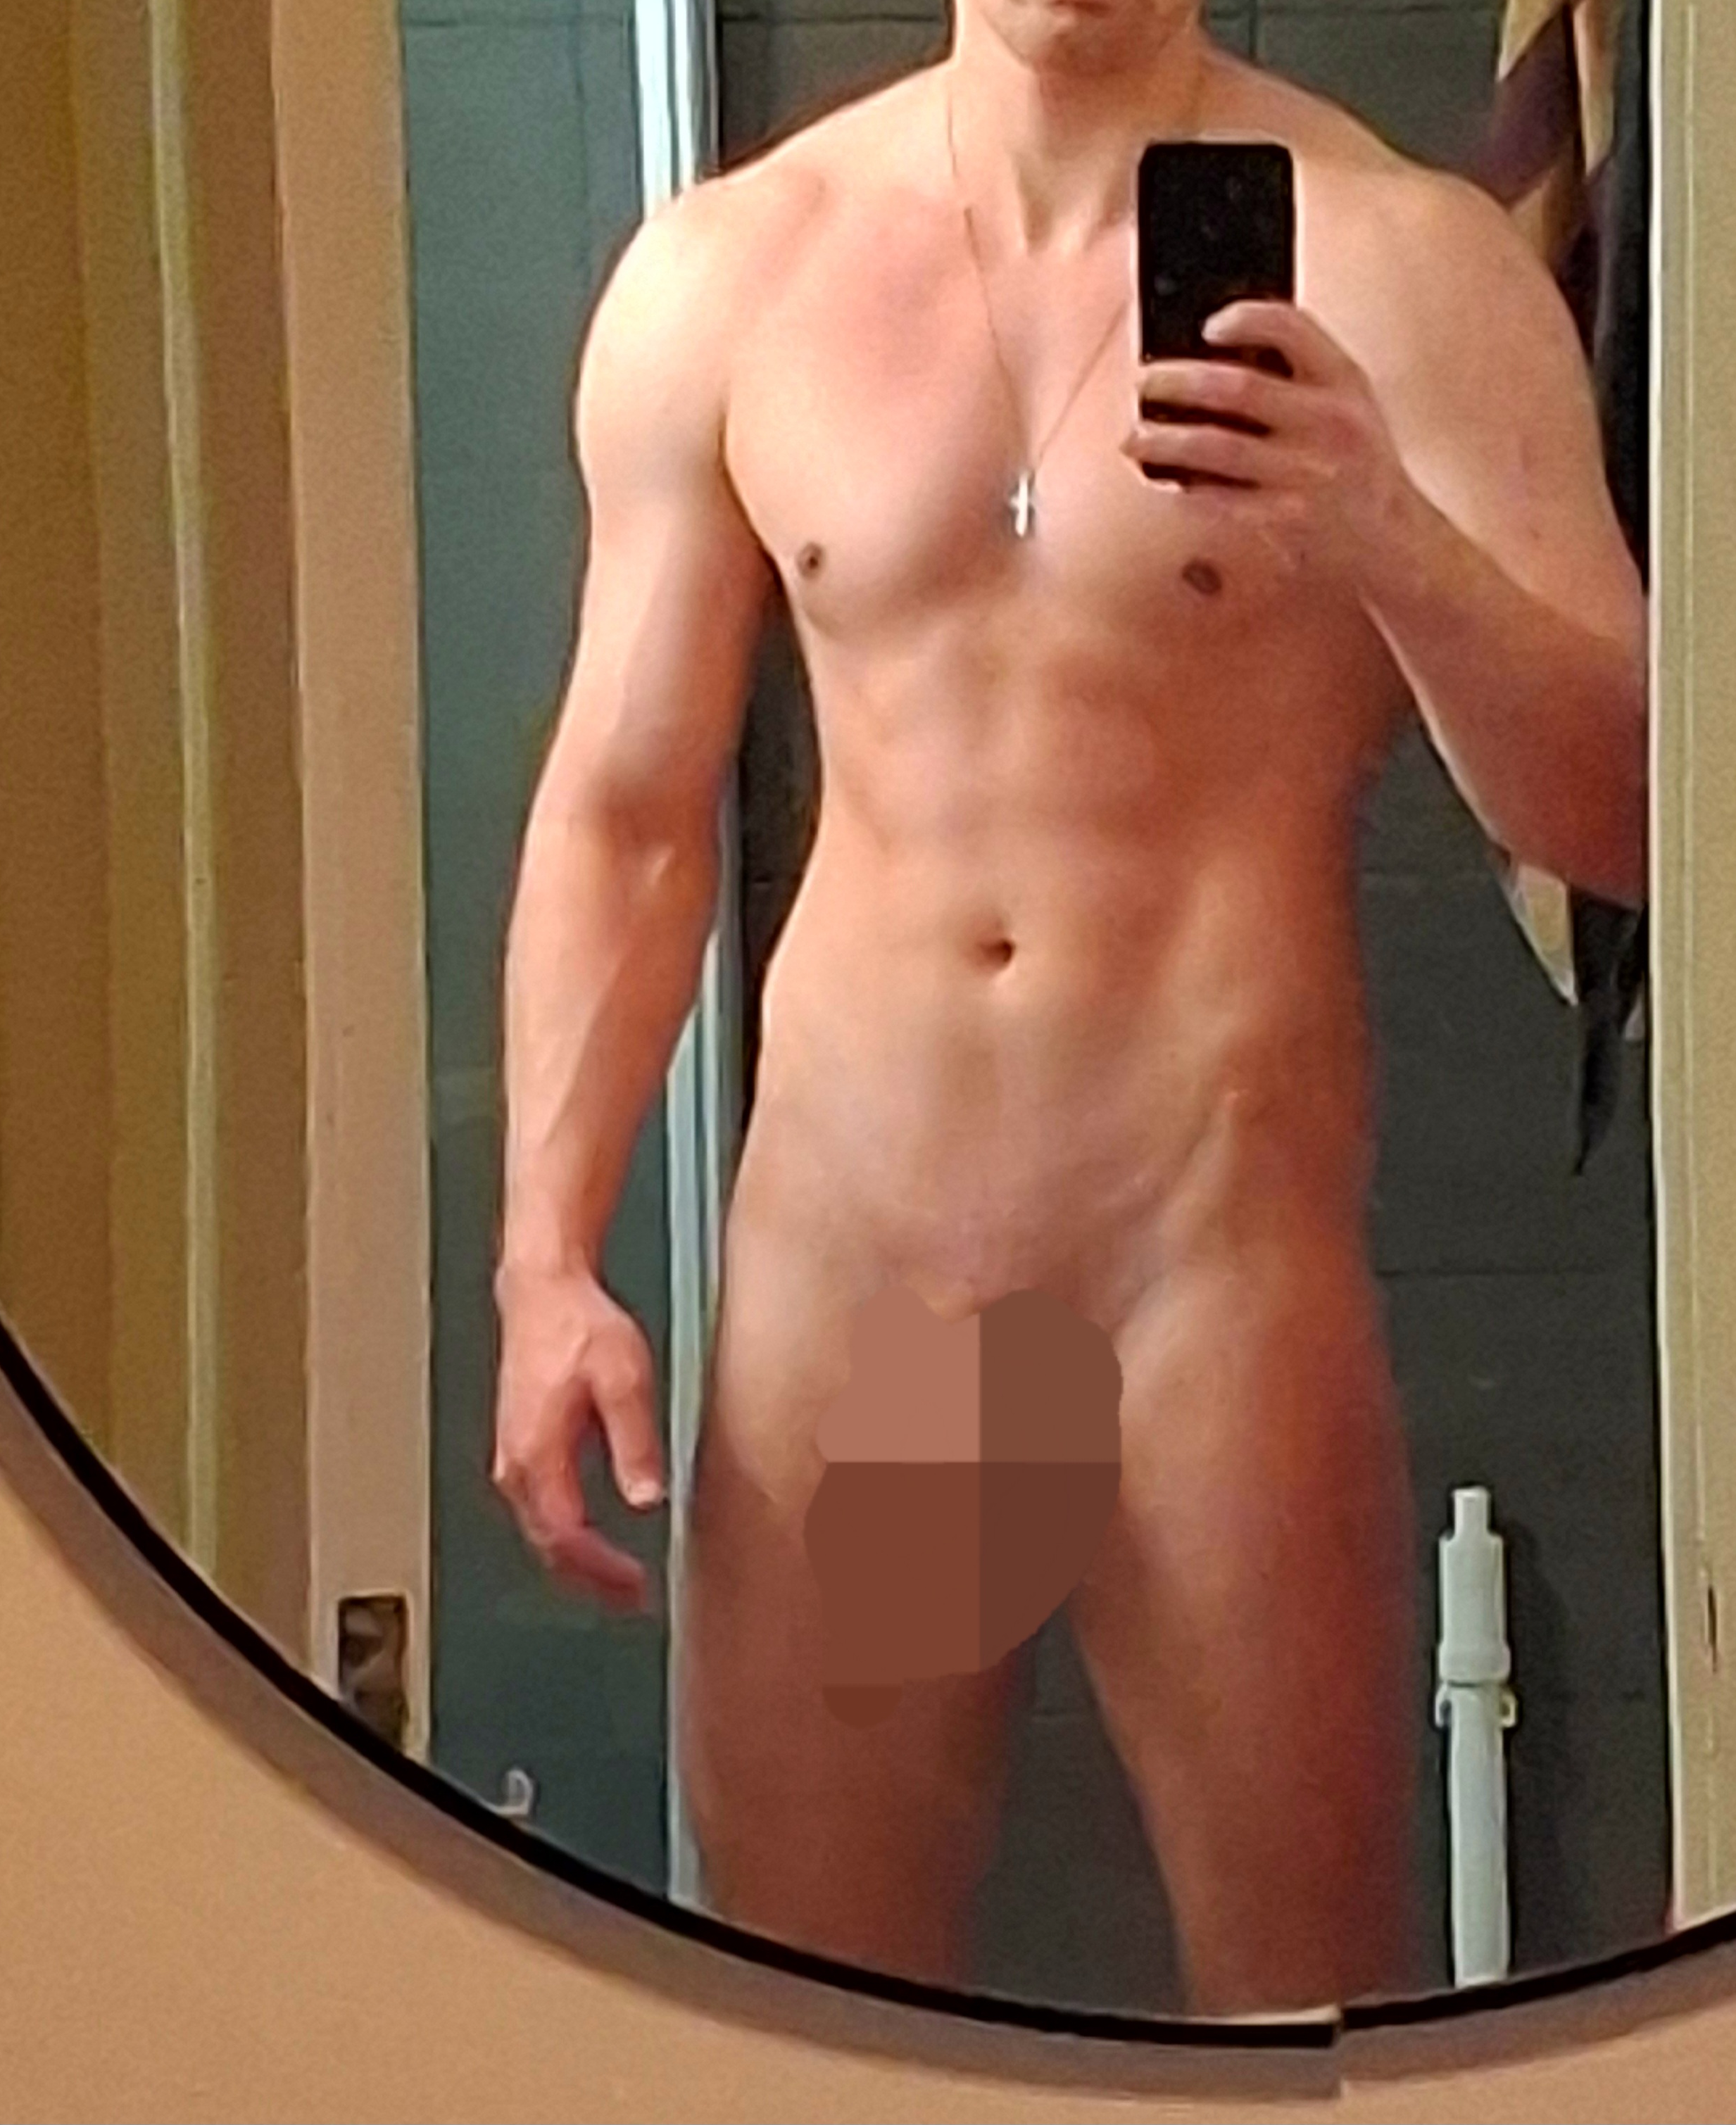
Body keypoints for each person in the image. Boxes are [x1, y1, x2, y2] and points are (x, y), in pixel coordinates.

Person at [489, 0, 1646, 2014]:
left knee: (1301, 2022)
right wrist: (544, 1256)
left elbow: (1632, 815)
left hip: (1201, 1277)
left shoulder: (1400, 265)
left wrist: (1383, 531)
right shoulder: (740, 270)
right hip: (869, 1283)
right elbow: (626, 811)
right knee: (816, 2019)